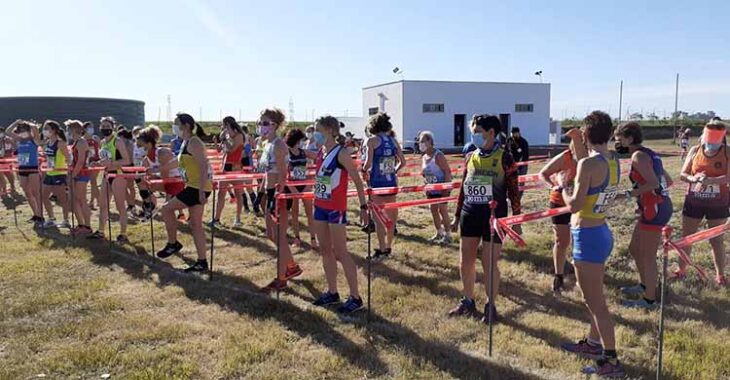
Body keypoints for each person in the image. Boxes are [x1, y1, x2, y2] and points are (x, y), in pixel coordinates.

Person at [560, 111, 624, 377]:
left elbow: (574, 204)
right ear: (609, 135)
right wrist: (577, 139)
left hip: (587, 236)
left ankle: (610, 359)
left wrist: (560, 187)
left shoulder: (588, 166)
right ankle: (594, 343)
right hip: (600, 230)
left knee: (596, 303)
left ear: (587, 135)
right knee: (596, 298)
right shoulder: (612, 161)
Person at [448, 114, 521, 324]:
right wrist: (455, 216)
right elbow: (463, 187)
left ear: (491, 132)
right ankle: (468, 301)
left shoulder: (505, 157)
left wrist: (516, 219)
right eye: (472, 131)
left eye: (477, 131)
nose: (473, 135)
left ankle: (491, 305)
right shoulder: (470, 156)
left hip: (494, 217)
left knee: (489, 263)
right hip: (470, 213)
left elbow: (514, 191)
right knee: (465, 262)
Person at [310, 116, 369, 313]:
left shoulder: (341, 153)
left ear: (328, 130)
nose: (314, 134)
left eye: (317, 130)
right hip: (320, 206)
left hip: (336, 208)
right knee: (325, 250)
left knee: (341, 252)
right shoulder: (321, 151)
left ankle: (355, 297)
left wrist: (363, 207)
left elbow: (358, 181)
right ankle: (332, 292)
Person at [614, 122, 674, 308]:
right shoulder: (650, 153)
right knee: (634, 248)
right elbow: (668, 181)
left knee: (647, 255)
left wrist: (627, 194)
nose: (617, 142)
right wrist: (643, 199)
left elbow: (654, 183)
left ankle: (650, 299)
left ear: (630, 138)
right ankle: (645, 284)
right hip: (652, 206)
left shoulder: (638, 156)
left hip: (654, 210)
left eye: (619, 138)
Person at [156, 113, 213, 272]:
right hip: (194, 186)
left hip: (197, 187)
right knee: (195, 225)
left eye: (176, 123)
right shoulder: (185, 142)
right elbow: (176, 162)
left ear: (186, 125)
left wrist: (201, 191)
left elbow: (203, 166)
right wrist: (158, 168)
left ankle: (173, 243)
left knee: (166, 209)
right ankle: (202, 262)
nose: (174, 126)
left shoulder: (194, 142)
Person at [676, 120, 729, 285]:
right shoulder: (695, 150)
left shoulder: (727, 152)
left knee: (716, 240)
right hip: (694, 200)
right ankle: (681, 270)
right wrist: (694, 178)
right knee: (687, 237)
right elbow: (683, 174)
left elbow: (728, 177)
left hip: (718, 203)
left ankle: (720, 276)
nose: (712, 143)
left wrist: (710, 181)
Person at [257, 109, 303, 292]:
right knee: (272, 234)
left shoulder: (279, 145)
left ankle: (282, 277)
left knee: (279, 236)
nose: (261, 126)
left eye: (265, 123)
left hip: (279, 193)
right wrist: (261, 192)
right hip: (270, 191)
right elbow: (267, 171)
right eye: (260, 122)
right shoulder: (267, 144)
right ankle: (291, 266)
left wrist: (278, 196)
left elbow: (284, 174)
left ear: (275, 125)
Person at [538, 128, 587, 293]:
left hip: (580, 203)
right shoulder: (565, 157)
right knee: (562, 240)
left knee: (579, 239)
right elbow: (543, 174)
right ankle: (559, 276)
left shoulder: (590, 160)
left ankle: (579, 271)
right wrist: (555, 186)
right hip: (560, 203)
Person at [362, 113, 405, 262]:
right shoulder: (393, 140)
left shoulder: (371, 141)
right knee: (391, 220)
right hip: (391, 183)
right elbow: (403, 162)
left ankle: (381, 250)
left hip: (377, 184)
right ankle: (388, 247)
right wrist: (394, 170)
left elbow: (367, 164)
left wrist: (363, 171)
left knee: (379, 220)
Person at [87, 116, 132, 242]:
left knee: (120, 206)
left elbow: (126, 160)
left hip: (118, 174)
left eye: (108, 126)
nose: (105, 128)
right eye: (103, 126)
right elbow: (104, 159)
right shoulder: (102, 142)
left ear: (113, 127)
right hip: (106, 174)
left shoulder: (117, 141)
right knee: (103, 204)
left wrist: (111, 163)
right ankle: (101, 231)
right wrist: (97, 163)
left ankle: (123, 234)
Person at [136, 125, 185, 219]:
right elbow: (147, 177)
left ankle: (175, 209)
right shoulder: (145, 160)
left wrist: (152, 175)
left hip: (177, 181)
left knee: (166, 209)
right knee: (140, 180)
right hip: (166, 181)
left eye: (140, 146)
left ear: (149, 143)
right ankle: (150, 205)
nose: (138, 149)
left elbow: (165, 177)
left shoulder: (162, 153)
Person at [284, 128, 317, 248]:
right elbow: (284, 173)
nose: (302, 142)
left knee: (309, 212)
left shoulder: (304, 152)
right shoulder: (286, 153)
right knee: (295, 213)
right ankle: (297, 238)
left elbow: (319, 157)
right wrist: (292, 189)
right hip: (292, 186)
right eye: (300, 140)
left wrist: (310, 183)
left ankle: (313, 238)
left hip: (305, 184)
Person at [6, 120, 43, 225]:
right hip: (22, 168)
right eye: (20, 131)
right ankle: (35, 214)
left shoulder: (33, 140)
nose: (21, 133)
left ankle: (40, 215)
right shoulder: (19, 140)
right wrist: (17, 122)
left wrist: (28, 124)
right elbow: (8, 131)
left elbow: (35, 129)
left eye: (23, 130)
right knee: (27, 192)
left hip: (33, 168)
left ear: (28, 131)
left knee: (36, 193)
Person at [419, 131, 453, 244]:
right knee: (433, 210)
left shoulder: (438, 155)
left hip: (442, 187)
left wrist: (446, 189)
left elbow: (447, 172)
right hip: (430, 189)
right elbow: (424, 173)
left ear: (430, 142)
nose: (421, 143)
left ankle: (448, 235)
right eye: (420, 141)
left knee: (442, 210)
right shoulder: (423, 157)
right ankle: (439, 232)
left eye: (423, 141)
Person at [211, 116, 245, 227]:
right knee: (221, 194)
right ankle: (216, 219)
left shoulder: (239, 136)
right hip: (225, 167)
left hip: (236, 168)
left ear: (228, 124)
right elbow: (219, 150)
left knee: (238, 194)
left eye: (224, 125)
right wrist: (218, 142)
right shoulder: (226, 135)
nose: (222, 127)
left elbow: (232, 149)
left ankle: (238, 219)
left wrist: (225, 140)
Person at [40, 120, 72, 228]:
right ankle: (51, 219)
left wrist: (68, 172)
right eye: (44, 128)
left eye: (47, 128)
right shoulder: (47, 143)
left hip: (59, 173)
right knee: (44, 196)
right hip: (49, 174)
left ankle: (66, 220)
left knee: (62, 199)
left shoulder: (61, 143)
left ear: (54, 131)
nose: (44, 131)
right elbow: (49, 157)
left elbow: (69, 158)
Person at [65, 120, 93, 235]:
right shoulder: (76, 142)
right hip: (75, 173)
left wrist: (73, 175)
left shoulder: (81, 143)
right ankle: (81, 224)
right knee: (75, 200)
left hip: (81, 174)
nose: (67, 132)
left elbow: (81, 161)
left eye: (68, 129)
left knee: (81, 200)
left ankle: (87, 226)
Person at [83, 121, 101, 210]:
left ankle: (94, 201)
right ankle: (93, 201)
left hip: (95, 163)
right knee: (91, 183)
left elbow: (101, 150)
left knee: (93, 182)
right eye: (89, 127)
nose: (91, 129)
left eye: (92, 127)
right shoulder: (82, 140)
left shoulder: (95, 140)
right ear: (84, 129)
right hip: (86, 164)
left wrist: (99, 142)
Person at [0, 126, 17, 195]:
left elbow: (13, 148)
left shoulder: (8, 139)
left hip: (7, 159)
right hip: (1, 159)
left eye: (1, 132)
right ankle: (3, 189)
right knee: (1, 175)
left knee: (8, 174)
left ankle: (12, 187)